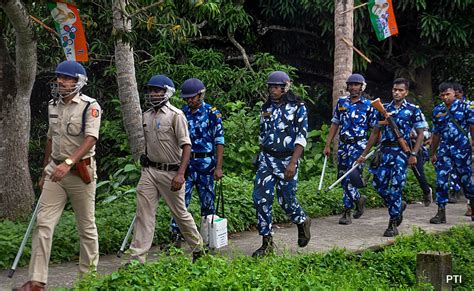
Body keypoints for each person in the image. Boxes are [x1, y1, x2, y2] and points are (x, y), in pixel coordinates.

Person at [15, 61, 101, 291]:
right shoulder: (53, 105)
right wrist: (46, 170)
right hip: (55, 172)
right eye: (59, 77)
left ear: (79, 82)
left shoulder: (89, 107)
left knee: (86, 227)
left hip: (81, 172)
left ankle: (87, 281)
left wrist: (69, 162)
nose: (60, 81)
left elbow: (91, 139)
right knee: (43, 224)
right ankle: (37, 282)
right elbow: (50, 139)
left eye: (66, 78)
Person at [127, 75, 204, 263]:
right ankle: (137, 259)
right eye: (151, 91)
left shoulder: (176, 115)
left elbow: (187, 146)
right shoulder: (146, 115)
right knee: (143, 213)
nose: (153, 94)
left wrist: (180, 173)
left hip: (171, 172)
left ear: (167, 92)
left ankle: (198, 248)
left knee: (180, 213)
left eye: (158, 91)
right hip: (150, 171)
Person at [251, 71, 311, 257]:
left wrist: (293, 163)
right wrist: (259, 155)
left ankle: (302, 221)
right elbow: (263, 134)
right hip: (267, 160)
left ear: (285, 87)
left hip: (287, 160)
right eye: (271, 87)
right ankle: (266, 243)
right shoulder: (266, 108)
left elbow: (301, 138)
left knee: (286, 201)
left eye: (277, 87)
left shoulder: (298, 107)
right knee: (260, 199)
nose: (274, 90)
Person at [357, 78, 426, 237]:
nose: (397, 92)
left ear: (406, 92)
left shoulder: (413, 110)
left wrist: (414, 154)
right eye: (395, 89)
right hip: (384, 152)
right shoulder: (382, 108)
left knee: (396, 186)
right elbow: (375, 132)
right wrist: (363, 154)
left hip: (401, 153)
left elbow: (421, 133)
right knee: (378, 184)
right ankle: (397, 205)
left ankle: (393, 222)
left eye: (401, 90)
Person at [169, 78, 224, 246]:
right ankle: (175, 237)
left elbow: (219, 141)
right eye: (187, 98)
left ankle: (208, 239)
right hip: (186, 164)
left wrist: (218, 167)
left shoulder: (212, 112)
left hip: (206, 163)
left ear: (201, 95)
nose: (190, 101)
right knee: (180, 200)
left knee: (207, 202)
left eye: (193, 97)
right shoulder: (182, 113)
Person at [324, 73, 376, 225]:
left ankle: (347, 211)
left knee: (351, 177)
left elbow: (375, 130)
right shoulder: (341, 102)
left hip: (359, 146)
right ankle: (358, 199)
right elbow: (335, 123)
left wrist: (370, 150)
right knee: (342, 176)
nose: (353, 87)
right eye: (351, 84)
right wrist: (328, 144)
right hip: (343, 146)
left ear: (362, 87)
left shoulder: (369, 105)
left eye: (357, 84)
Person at [429, 82, 474, 223]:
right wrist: (433, 153)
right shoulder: (437, 110)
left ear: (454, 93)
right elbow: (436, 134)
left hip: (462, 150)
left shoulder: (465, 107)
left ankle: (473, 205)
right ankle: (440, 213)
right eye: (442, 95)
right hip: (444, 151)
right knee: (441, 181)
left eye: (448, 94)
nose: (445, 97)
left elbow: (472, 127)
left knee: (465, 181)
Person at [409, 112, 433, 206]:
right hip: (397, 145)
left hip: (415, 146)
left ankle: (426, 191)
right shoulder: (391, 111)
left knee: (418, 171)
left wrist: (414, 135)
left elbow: (426, 133)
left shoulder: (415, 112)